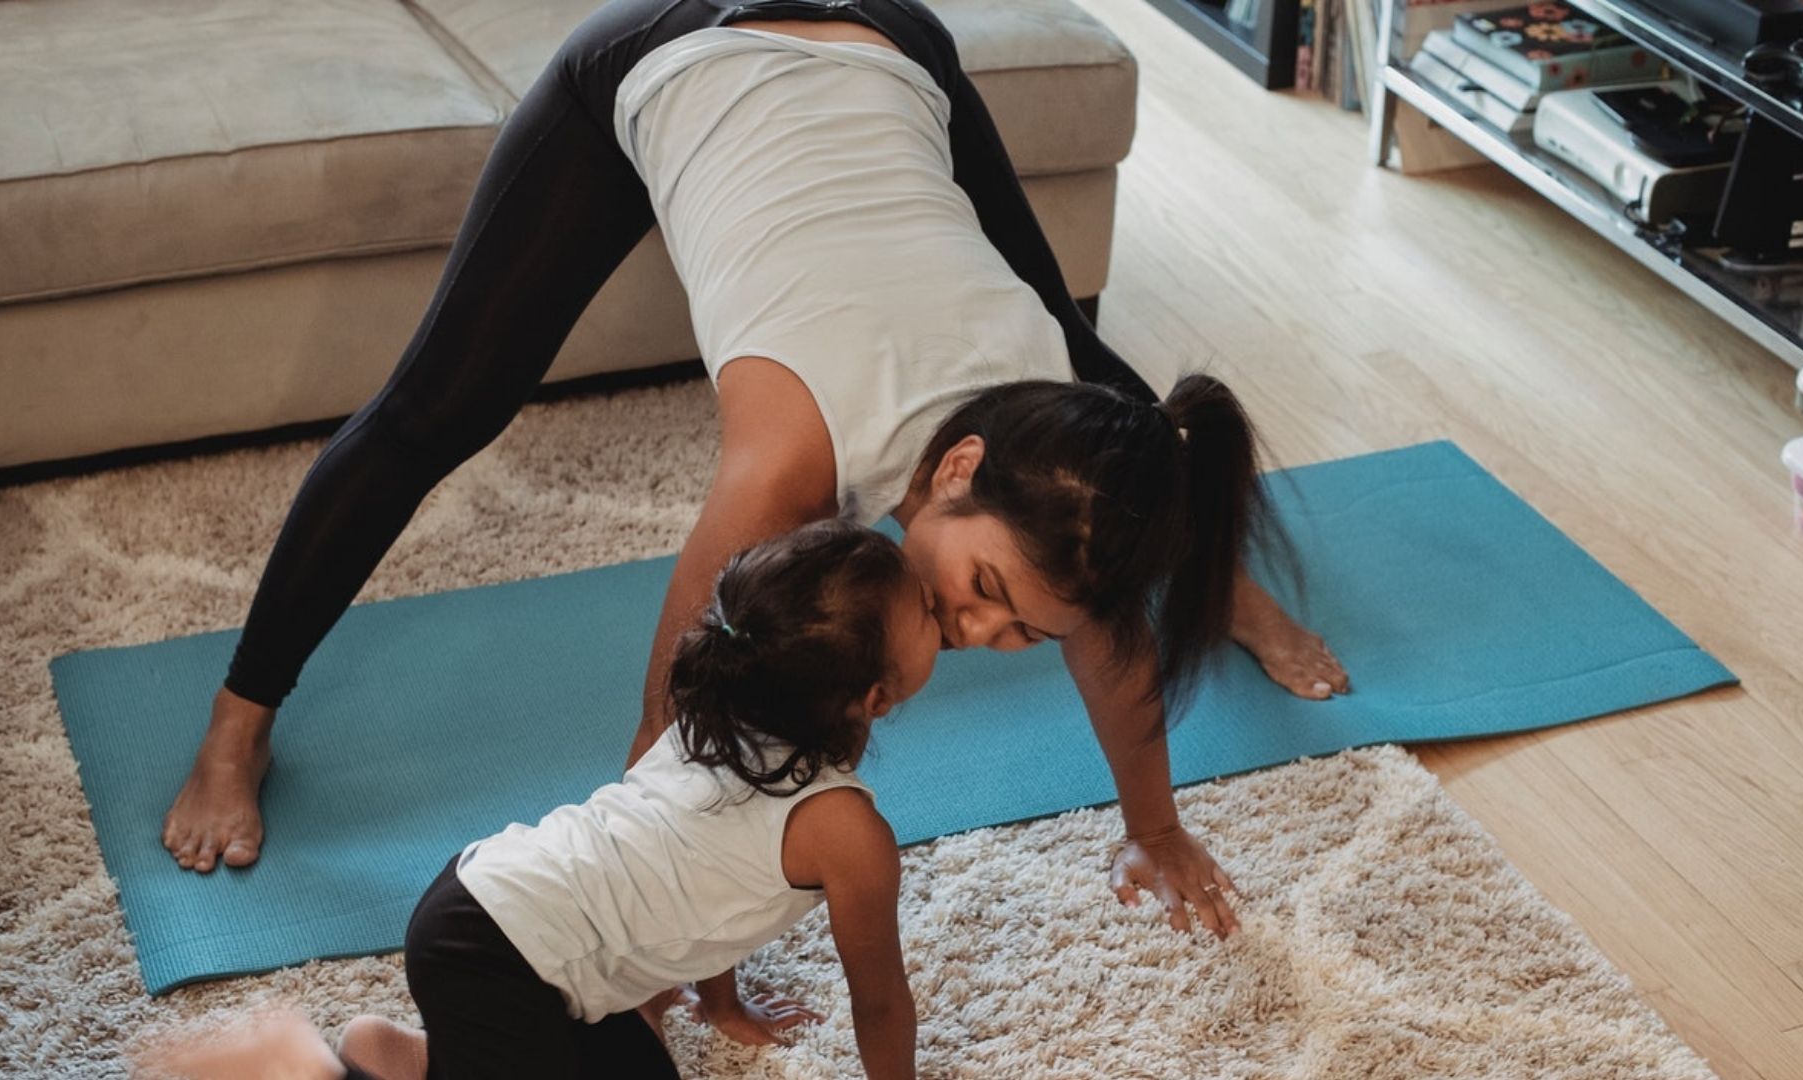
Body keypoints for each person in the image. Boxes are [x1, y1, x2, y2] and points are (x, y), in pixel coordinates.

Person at [160, 0, 1351, 937]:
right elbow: (663, 724)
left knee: (1115, 418)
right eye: (987, 593)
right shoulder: (792, 461)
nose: (983, 635)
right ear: (954, 470)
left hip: (888, 38)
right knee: (434, 412)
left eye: (1020, 630)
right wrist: (628, 917)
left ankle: (1206, 573)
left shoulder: (1044, 418)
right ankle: (237, 722)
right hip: (677, 45)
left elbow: (1107, 639)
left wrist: (1155, 828)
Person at [149, 521, 937, 1080]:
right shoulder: (849, 834)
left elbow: (715, 884)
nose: (939, 611)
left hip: (483, 901)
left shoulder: (720, 718)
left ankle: (409, 1058)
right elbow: (881, 1003)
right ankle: (302, 1070)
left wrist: (719, 1001)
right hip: (494, 958)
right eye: (928, 614)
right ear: (872, 696)